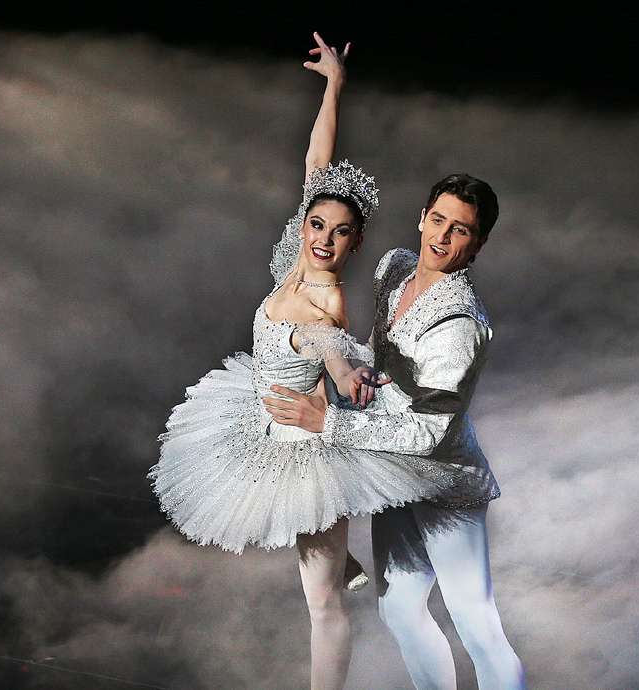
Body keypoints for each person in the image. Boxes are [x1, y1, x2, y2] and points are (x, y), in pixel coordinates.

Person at [149, 33, 464, 690]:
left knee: (322, 606)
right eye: (315, 225)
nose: (321, 239)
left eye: (337, 232)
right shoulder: (300, 256)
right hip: (259, 413)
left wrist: (348, 379)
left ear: (356, 242)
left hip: (302, 444)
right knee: (317, 570)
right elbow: (317, 165)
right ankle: (341, 556)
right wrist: (334, 86)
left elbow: (332, 351)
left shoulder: (323, 303)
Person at [265, 174, 528, 688]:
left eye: (461, 231)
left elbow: (430, 433)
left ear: (478, 243)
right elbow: (379, 354)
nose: (442, 238)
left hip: (444, 481)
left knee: (476, 623)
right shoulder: (396, 267)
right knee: (401, 611)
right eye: (437, 220)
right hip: (392, 471)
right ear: (422, 216)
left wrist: (329, 420)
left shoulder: (459, 324)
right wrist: (351, 371)